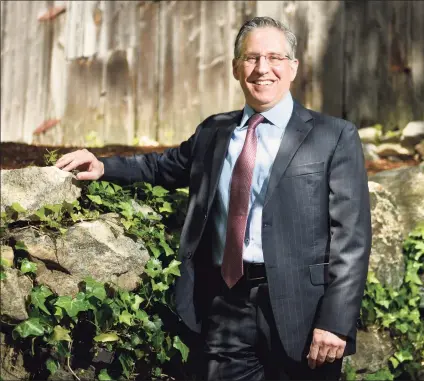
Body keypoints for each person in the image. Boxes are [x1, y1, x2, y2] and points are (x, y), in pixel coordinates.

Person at [56, 16, 371, 381]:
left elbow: (352, 239)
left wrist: (334, 322)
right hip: (226, 304)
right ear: (237, 68)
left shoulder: (334, 136)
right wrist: (103, 166)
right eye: (251, 58)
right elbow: (163, 167)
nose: (262, 69)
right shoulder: (214, 131)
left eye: (275, 57)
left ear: (293, 68)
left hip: (304, 312)